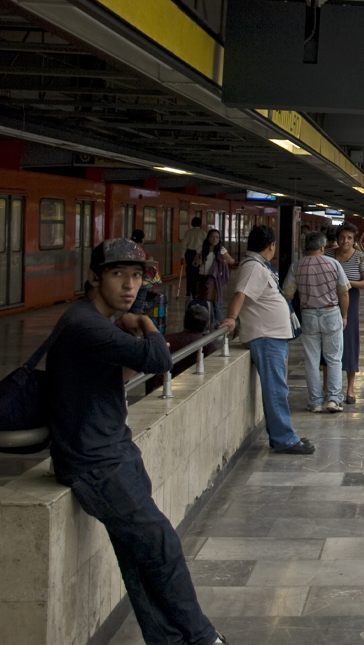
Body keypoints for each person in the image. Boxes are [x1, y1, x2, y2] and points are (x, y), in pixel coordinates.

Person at [46, 238, 227, 645]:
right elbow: (159, 360)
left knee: (137, 557)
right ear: (94, 278)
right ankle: (203, 638)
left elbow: (120, 375)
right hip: (95, 464)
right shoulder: (85, 324)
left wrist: (131, 329)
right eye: (118, 275)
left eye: (136, 276)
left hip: (114, 450)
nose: (130, 285)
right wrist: (145, 324)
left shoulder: (97, 323)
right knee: (161, 544)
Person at [219, 225, 315, 455]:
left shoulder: (258, 265)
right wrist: (231, 318)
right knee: (276, 389)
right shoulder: (253, 267)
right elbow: (240, 294)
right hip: (265, 337)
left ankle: (280, 435)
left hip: (272, 336)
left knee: (277, 388)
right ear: (271, 245)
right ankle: (285, 439)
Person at [283, 231, 350, 414]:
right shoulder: (333, 264)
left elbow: (287, 294)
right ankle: (334, 399)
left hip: (308, 315)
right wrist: (344, 316)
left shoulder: (297, 266)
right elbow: (344, 293)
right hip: (331, 313)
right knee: (334, 358)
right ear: (322, 247)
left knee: (312, 360)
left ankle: (315, 401)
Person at [325, 224, 364, 404]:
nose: (345, 241)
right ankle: (326, 386)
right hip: (328, 301)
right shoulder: (327, 254)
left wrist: (347, 282)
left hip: (350, 301)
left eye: (350, 238)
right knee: (327, 343)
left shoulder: (359, 257)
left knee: (349, 342)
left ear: (354, 240)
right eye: (342, 237)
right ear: (337, 239)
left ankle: (350, 387)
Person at [145, 304, 222, 394]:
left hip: (162, 387)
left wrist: (149, 393)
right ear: (206, 324)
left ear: (185, 321)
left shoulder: (165, 340)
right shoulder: (207, 346)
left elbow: (150, 371)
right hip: (188, 388)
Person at [196, 229, 235, 319]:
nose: (215, 239)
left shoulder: (221, 250)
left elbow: (232, 261)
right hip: (202, 277)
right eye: (212, 237)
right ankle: (206, 322)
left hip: (214, 279)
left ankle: (219, 323)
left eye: (217, 237)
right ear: (208, 238)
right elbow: (194, 261)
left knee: (216, 303)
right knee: (203, 302)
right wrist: (197, 262)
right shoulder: (201, 248)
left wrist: (225, 259)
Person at [181, 217, 206, 298]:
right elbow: (205, 245)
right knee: (197, 273)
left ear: (191, 223)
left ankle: (188, 291)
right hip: (198, 254)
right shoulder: (203, 233)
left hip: (189, 253)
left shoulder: (188, 232)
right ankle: (195, 291)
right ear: (200, 224)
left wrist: (182, 256)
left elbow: (183, 245)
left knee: (189, 272)